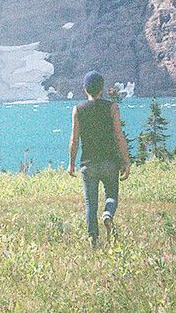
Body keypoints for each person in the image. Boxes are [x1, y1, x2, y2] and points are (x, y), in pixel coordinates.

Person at [68, 71, 132, 248]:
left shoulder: (78, 109)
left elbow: (74, 140)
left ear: (85, 88)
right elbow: (119, 136)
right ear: (102, 89)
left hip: (88, 164)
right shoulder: (111, 107)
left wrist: (71, 164)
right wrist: (126, 161)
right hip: (109, 162)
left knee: (91, 205)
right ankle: (108, 215)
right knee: (111, 195)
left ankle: (93, 242)